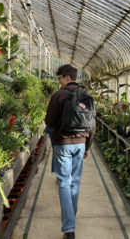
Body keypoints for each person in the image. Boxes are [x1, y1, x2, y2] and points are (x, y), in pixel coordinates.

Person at [45, 65, 96, 239]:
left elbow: (50, 124)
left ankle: (69, 229)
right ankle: (71, 219)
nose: (58, 81)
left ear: (67, 78)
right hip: (81, 144)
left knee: (64, 184)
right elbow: (92, 125)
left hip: (63, 144)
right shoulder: (87, 96)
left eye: (59, 78)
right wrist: (87, 146)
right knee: (74, 183)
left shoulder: (58, 95)